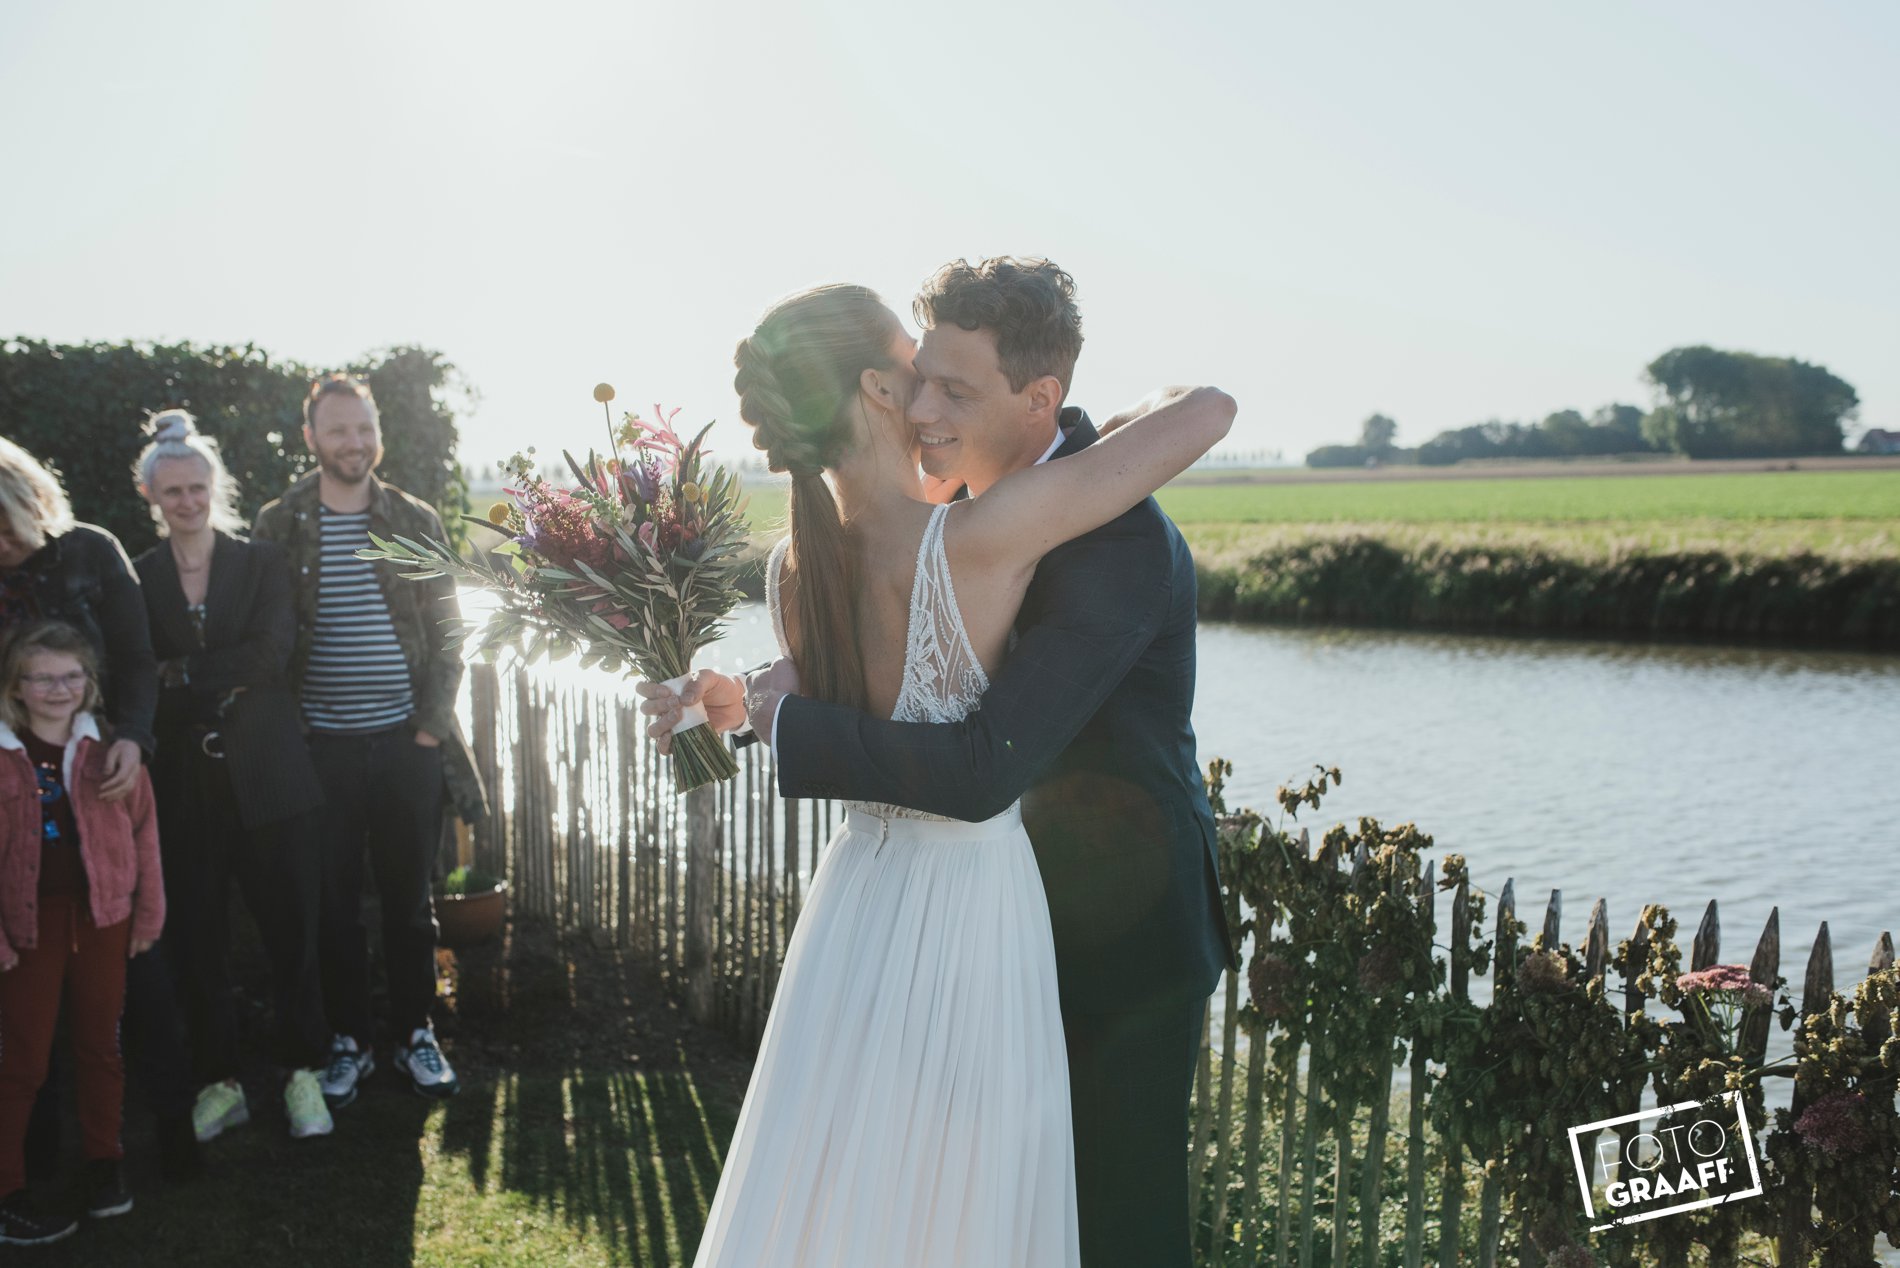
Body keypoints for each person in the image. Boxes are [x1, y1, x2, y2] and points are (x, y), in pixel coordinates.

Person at [644, 273, 1234, 1267]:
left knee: (1086, 1223)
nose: (926, 406)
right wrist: (769, 704)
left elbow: (958, 749)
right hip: (981, 912)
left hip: (1107, 932)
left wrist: (768, 713)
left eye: (952, 388)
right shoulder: (966, 525)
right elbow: (936, 730)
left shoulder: (1108, 535)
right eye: (921, 378)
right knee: (956, 1208)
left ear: (1037, 398)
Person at [253, 375, 487, 1107]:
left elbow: (450, 630)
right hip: (320, 748)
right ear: (311, 438)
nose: (353, 442)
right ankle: (348, 1042)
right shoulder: (280, 523)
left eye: (364, 428)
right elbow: (265, 638)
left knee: (409, 903)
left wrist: (429, 728)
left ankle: (416, 1033)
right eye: (338, 430)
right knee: (333, 906)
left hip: (404, 745)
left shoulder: (413, 518)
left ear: (377, 433)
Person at [0, 439, 200, 1181]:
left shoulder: (91, 551)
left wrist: (135, 741)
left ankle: (172, 1134)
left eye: (6, 528)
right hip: (15, 790)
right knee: (28, 995)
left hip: (105, 775)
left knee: (141, 976)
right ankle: (37, 1159)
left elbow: (138, 659)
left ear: (31, 505)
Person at [132, 411, 334, 1142]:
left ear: (214, 487)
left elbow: (270, 655)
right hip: (185, 786)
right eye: (173, 491)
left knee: (293, 932)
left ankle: (303, 1073)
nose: (187, 501)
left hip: (272, 775)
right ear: (152, 496)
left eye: (197, 488)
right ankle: (220, 1082)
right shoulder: (139, 575)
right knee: (198, 938)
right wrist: (200, 676)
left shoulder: (261, 563)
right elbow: (138, 677)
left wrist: (181, 671)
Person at [0, 622, 165, 1243]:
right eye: (42, 678)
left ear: (89, 683)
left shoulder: (111, 753)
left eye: (71, 676)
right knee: (22, 1061)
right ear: (16, 687)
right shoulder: (3, 756)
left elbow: (145, 835)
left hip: (103, 918)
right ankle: (7, 1190)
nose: (57, 689)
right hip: (28, 927)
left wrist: (148, 914)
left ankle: (104, 1165)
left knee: (101, 1047)